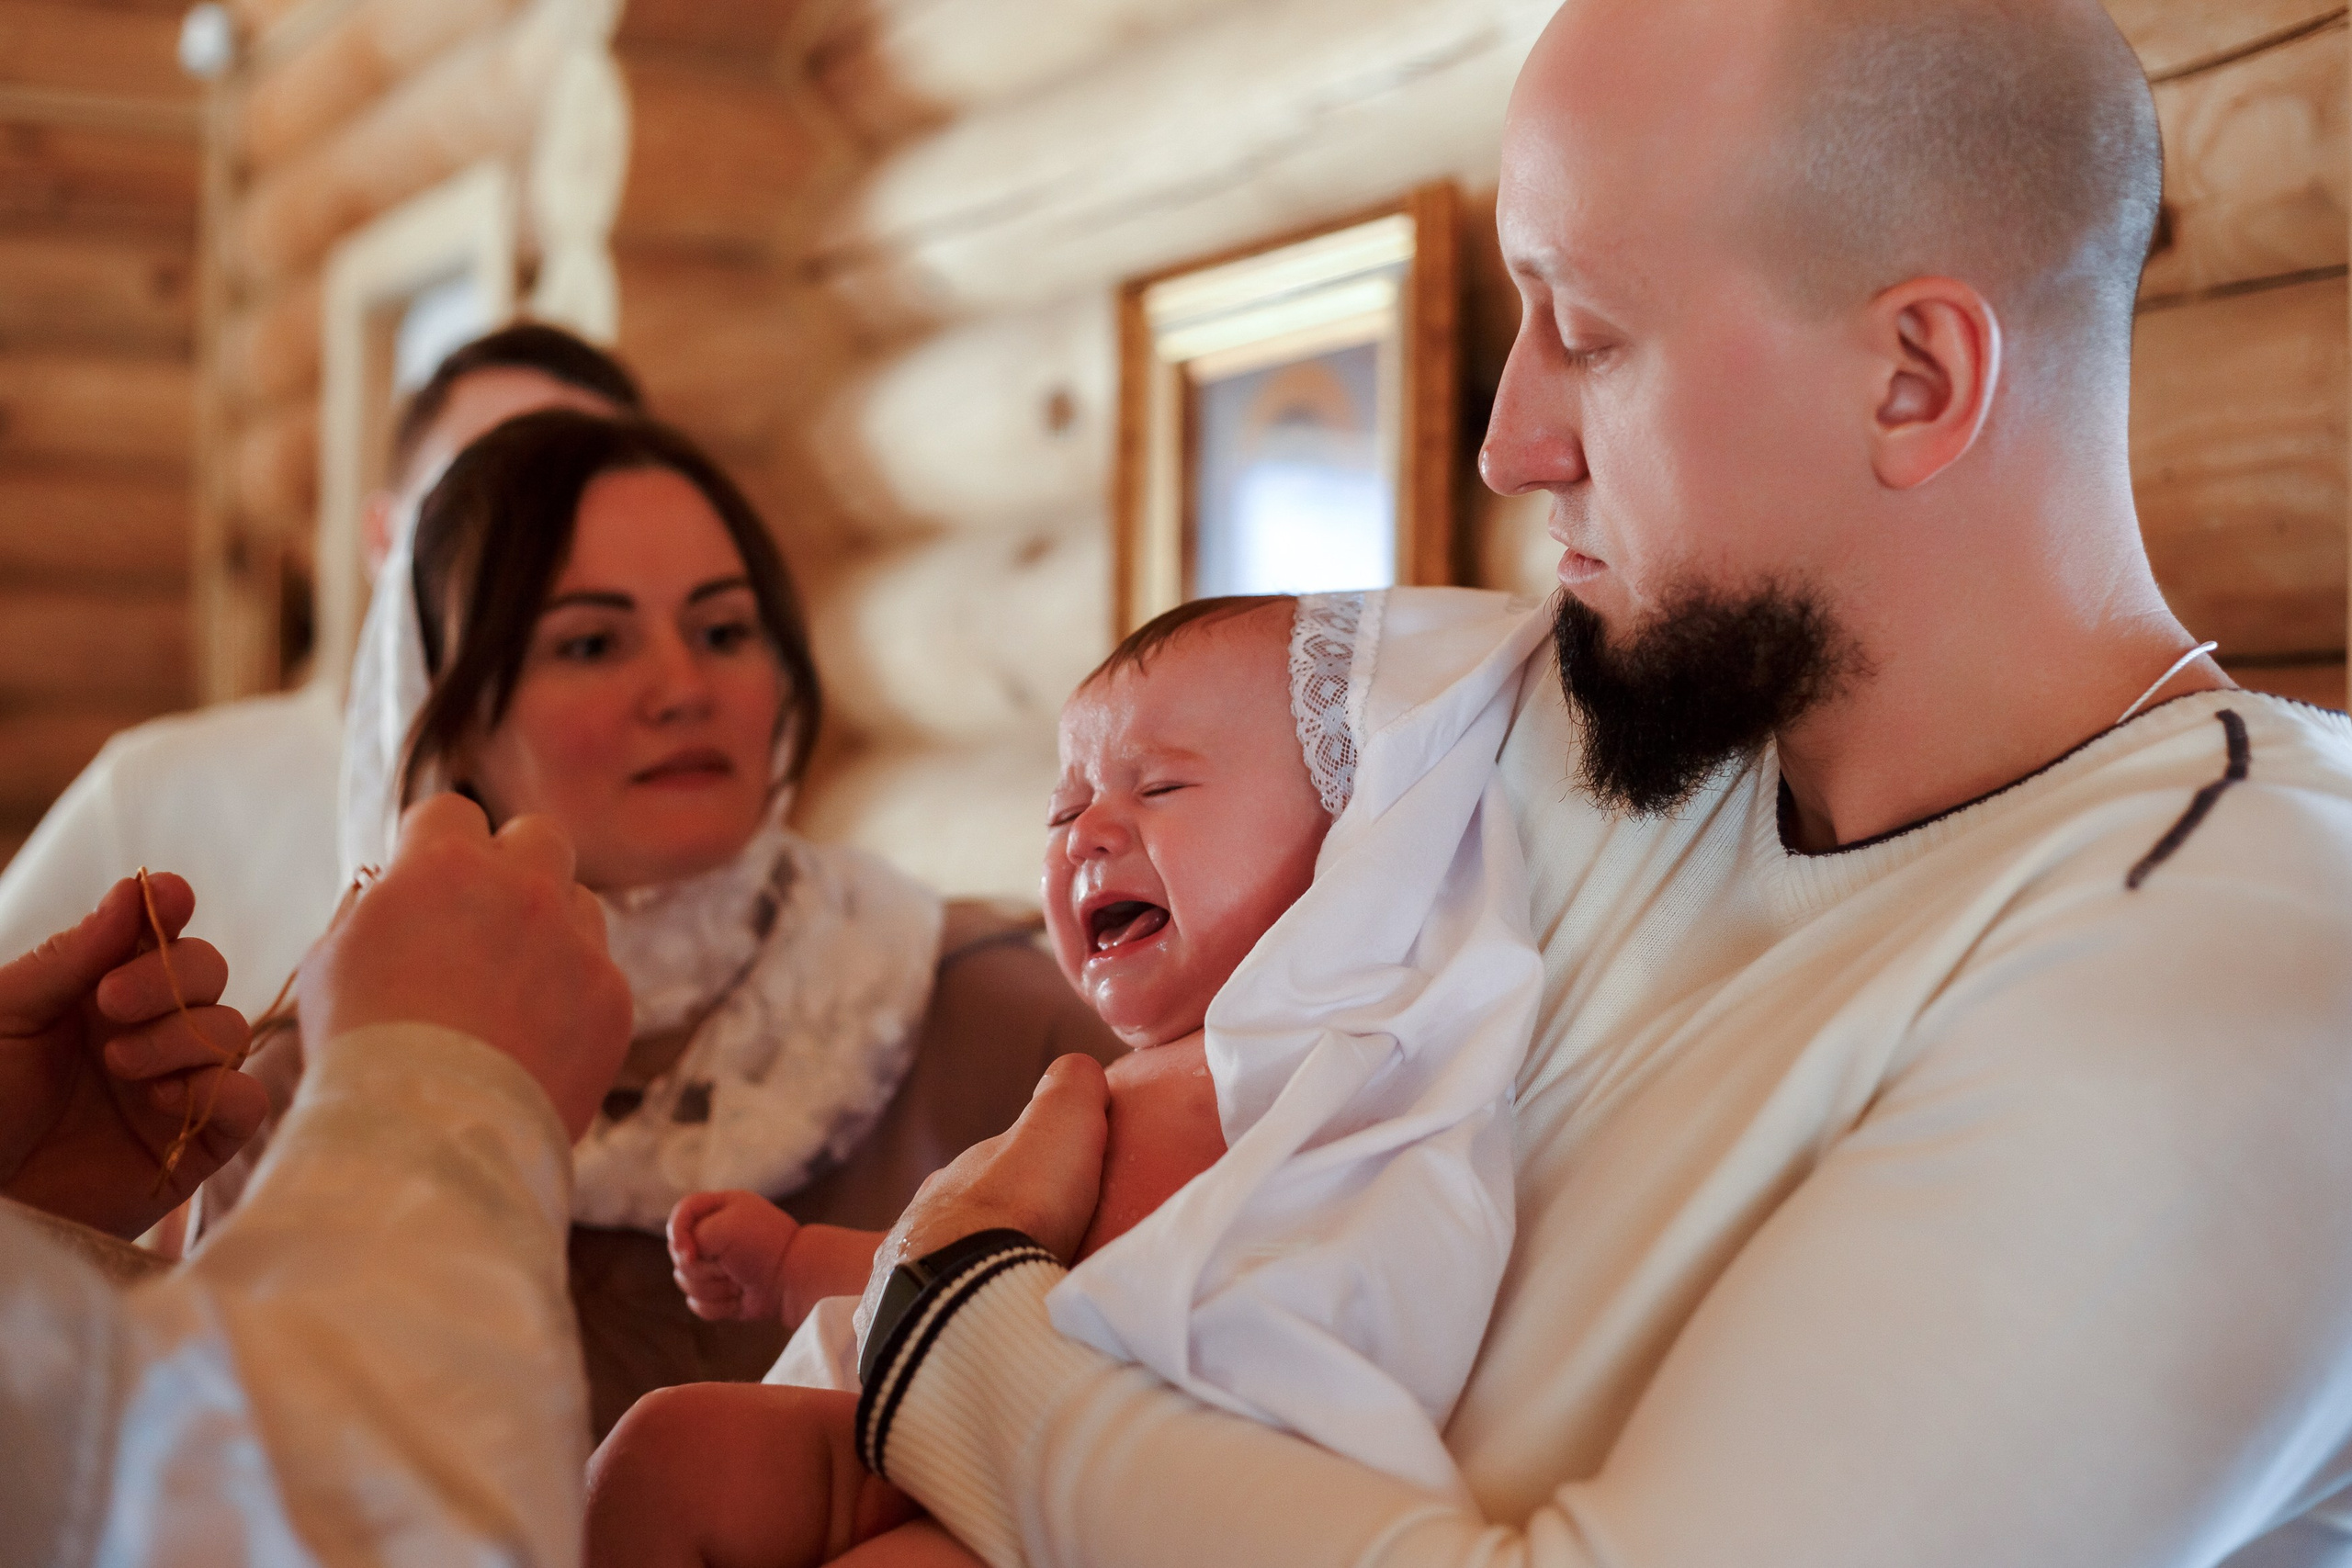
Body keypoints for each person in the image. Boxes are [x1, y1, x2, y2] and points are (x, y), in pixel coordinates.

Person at [825, 4, 2352, 1566]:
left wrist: (964, 1338)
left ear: (1914, 378)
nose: (1508, 443)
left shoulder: (2246, 955)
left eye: (1592, 335)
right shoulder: (1590, 734)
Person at [198, 407, 1121, 1437]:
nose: (683, 688)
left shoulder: (997, 1030)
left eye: (724, 631)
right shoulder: (310, 1091)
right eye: (591, 643)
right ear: (448, 719)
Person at [582, 586, 1549, 1564]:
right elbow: (972, 1273)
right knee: (663, 1451)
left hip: (1129, 1486)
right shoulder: (1111, 1084)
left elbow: (1019, 1285)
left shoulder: (1340, 1073)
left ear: (1354, 844)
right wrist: (798, 1268)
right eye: (1065, 807)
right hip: (959, 1423)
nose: (1085, 832)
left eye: (1158, 788)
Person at [1, 798, 632, 1567]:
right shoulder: (293, 1090)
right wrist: (440, 1094)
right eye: (589, 664)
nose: (677, 687)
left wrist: (27, 1221)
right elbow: (279, 1515)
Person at [0, 323, 642, 1021]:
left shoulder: (678, 828)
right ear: (383, 539)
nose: (543, 558)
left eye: (591, 517)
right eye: (487, 505)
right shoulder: (155, 794)